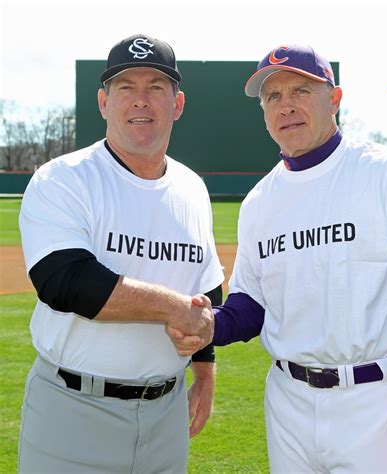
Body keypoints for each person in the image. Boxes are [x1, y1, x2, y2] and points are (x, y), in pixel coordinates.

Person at [168, 44, 387, 473]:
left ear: (335, 98)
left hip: (376, 400)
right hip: (288, 402)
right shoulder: (259, 202)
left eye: (301, 91)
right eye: (272, 97)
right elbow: (252, 306)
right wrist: (209, 324)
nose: (285, 105)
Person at [18, 34, 224, 473]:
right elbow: (66, 282)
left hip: (166, 413)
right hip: (73, 411)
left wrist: (204, 370)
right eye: (126, 87)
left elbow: (206, 285)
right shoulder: (64, 178)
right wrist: (174, 309)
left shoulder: (191, 187)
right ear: (103, 102)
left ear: (178, 103)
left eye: (156, 87)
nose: (141, 100)